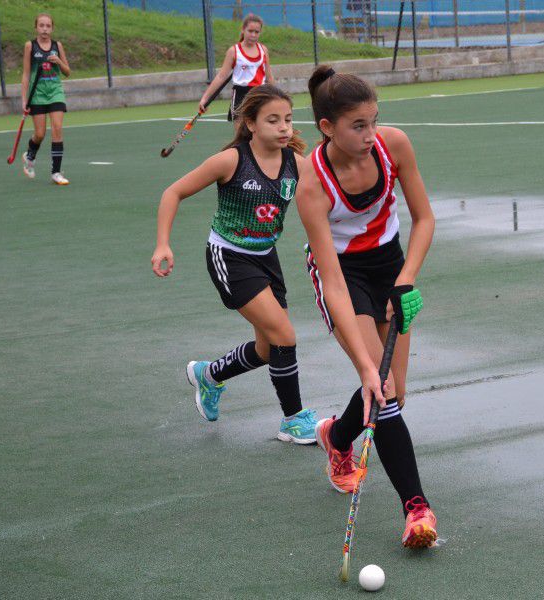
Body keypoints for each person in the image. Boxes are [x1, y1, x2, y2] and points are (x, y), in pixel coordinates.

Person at [296, 66, 438, 548]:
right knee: (383, 388)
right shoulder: (313, 185)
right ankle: (417, 509)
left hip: (391, 266)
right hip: (343, 274)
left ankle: (337, 436)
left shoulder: (394, 145)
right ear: (327, 128)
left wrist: (405, 280)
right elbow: (332, 282)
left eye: (374, 121)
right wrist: (363, 365)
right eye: (358, 126)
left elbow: (423, 219)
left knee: (394, 390)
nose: (370, 134)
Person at [151, 85, 318, 445]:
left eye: (288, 119)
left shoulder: (296, 164)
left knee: (267, 346)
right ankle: (293, 419)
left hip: (266, 257)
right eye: (273, 120)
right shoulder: (231, 160)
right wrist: (163, 243)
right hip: (229, 257)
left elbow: (324, 202)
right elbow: (173, 192)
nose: (284, 127)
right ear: (250, 123)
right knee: (285, 336)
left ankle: (208, 375)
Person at [198, 14, 274, 130]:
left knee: (261, 132)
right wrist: (205, 99)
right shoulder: (234, 51)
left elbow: (269, 77)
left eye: (256, 32)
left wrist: (277, 97)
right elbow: (221, 77)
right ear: (243, 30)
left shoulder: (263, 50)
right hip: (241, 95)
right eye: (250, 31)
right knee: (241, 135)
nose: (253, 35)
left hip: (260, 94)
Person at [20, 13, 71, 185]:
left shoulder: (57, 46)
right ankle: (30, 155)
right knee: (40, 134)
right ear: (36, 27)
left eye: (48, 26)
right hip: (37, 95)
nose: (44, 29)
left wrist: (58, 61)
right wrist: (24, 100)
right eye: (41, 25)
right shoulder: (30, 46)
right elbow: (26, 75)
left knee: (57, 128)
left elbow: (67, 72)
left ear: (52, 28)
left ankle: (56, 172)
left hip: (55, 92)